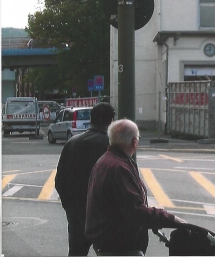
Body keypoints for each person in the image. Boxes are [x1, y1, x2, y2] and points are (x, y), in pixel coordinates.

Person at [86, 119, 186, 256]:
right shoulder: (119, 168)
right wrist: (170, 219)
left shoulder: (105, 160)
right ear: (134, 142)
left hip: (106, 242)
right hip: (119, 247)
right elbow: (135, 211)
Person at [55, 102, 115, 256]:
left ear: (91, 118)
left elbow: (59, 180)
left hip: (77, 213)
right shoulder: (112, 145)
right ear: (111, 120)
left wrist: (70, 208)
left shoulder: (72, 143)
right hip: (106, 217)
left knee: (76, 252)